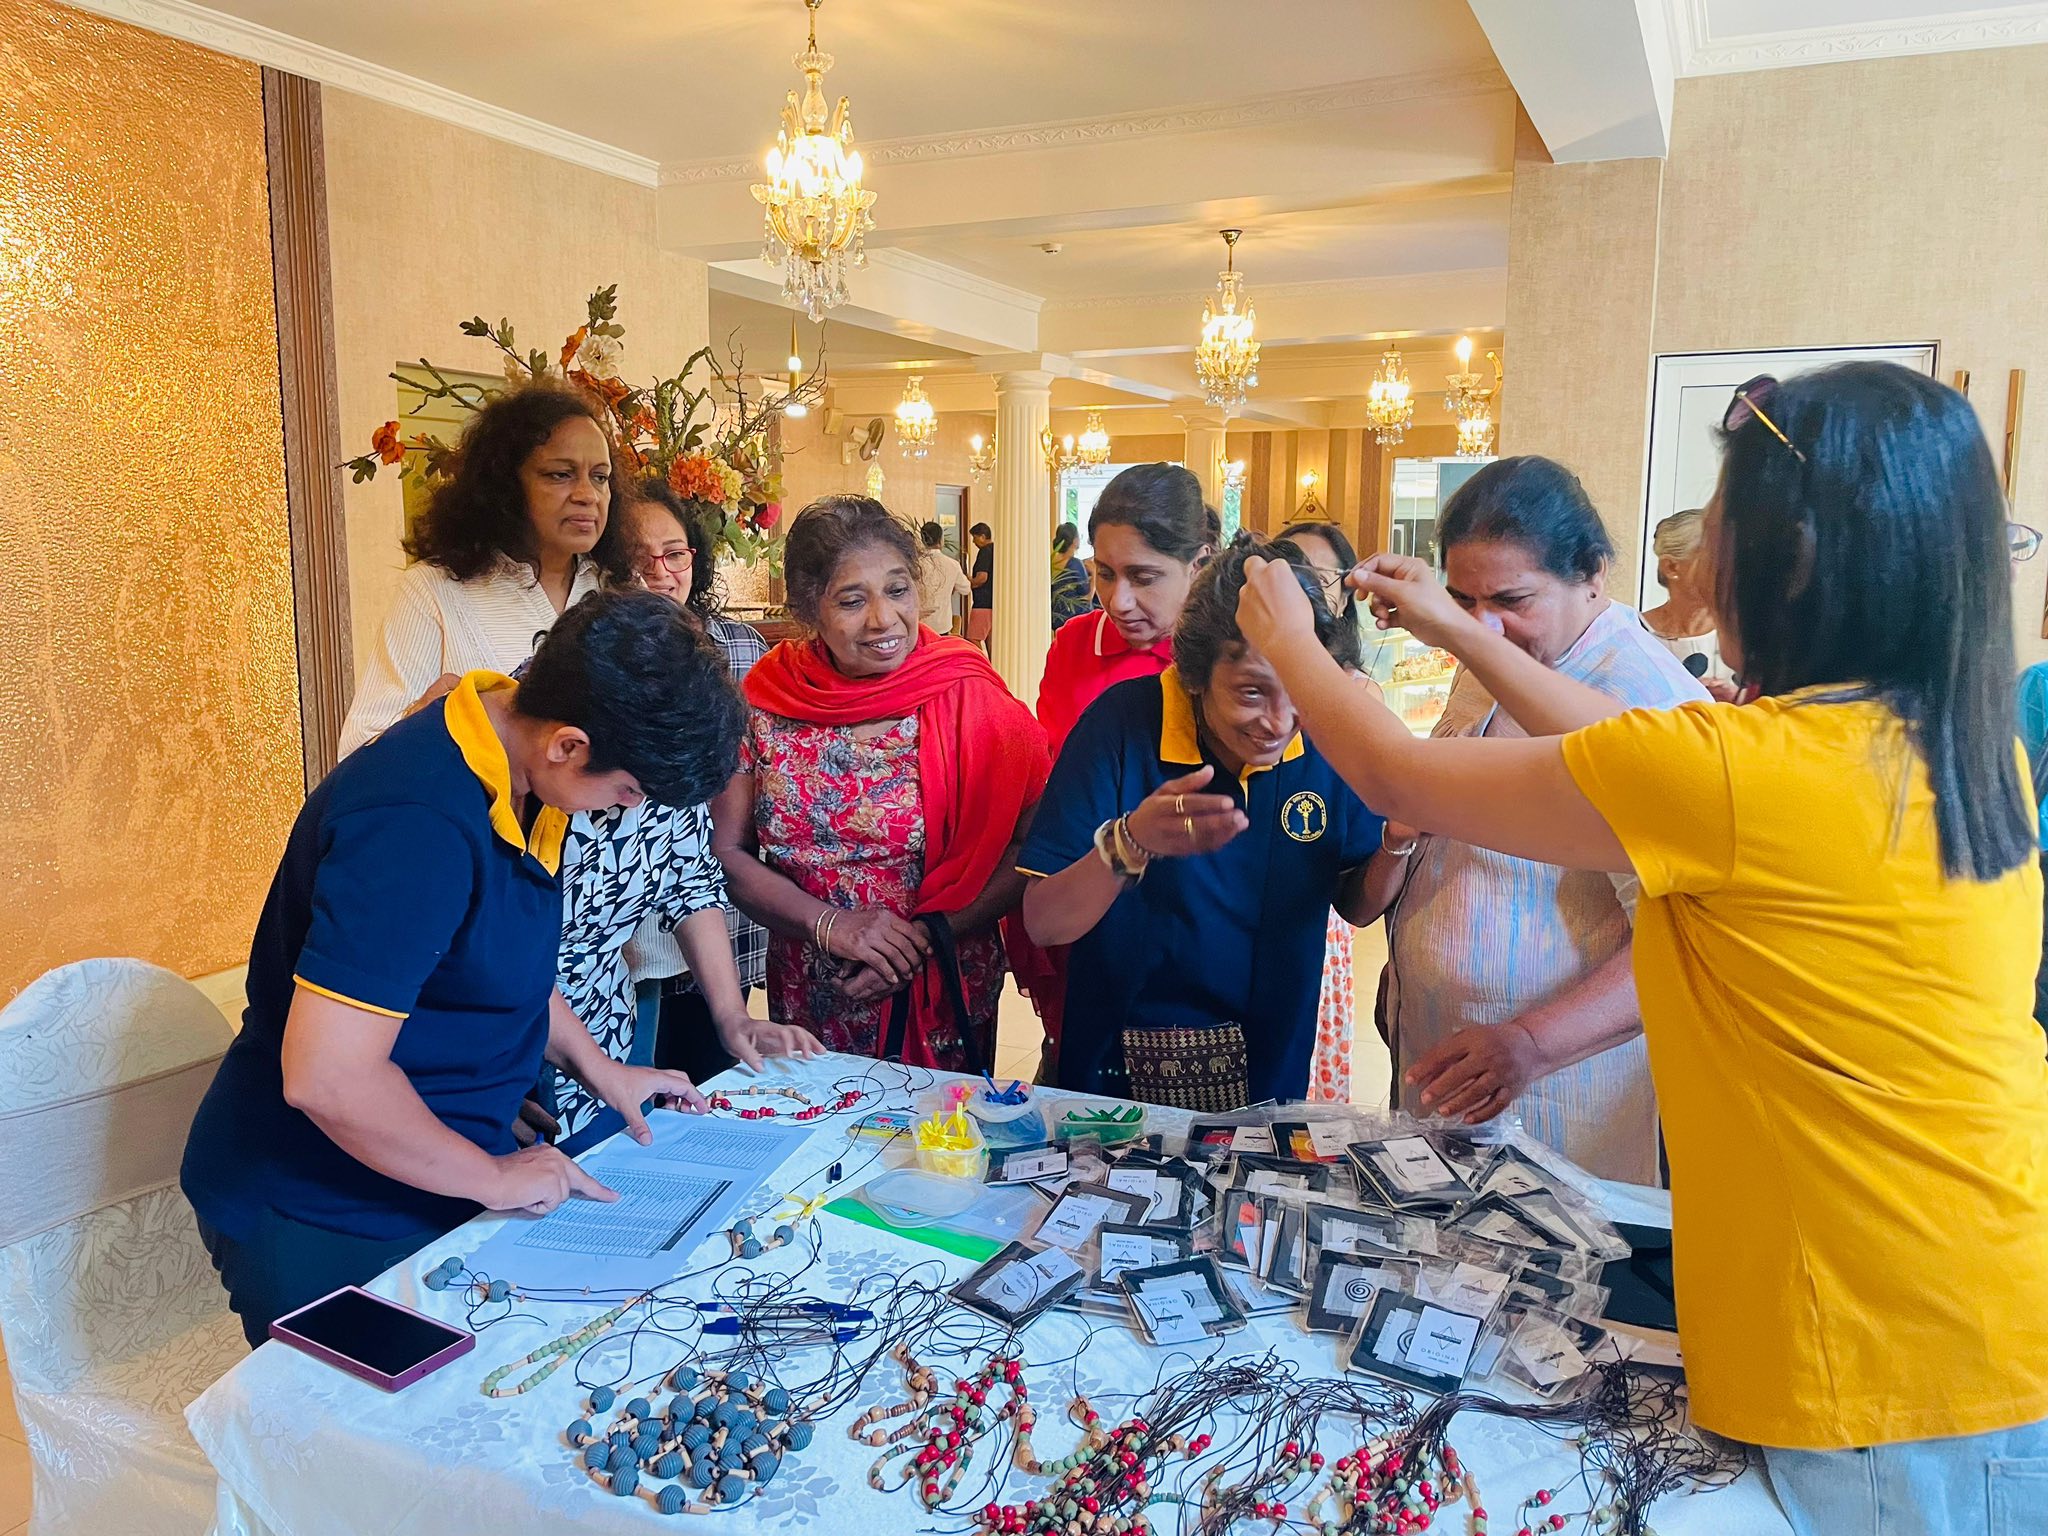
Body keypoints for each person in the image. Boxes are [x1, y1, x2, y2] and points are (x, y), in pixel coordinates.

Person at [1238, 363, 2048, 1534]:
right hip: (1970, 1285)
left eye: (1718, 531)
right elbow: (1629, 741)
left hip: (1875, 1350)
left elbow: (1395, 776)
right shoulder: (1938, 740)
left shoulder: (1745, 778)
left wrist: (1290, 637)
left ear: (1792, 563)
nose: (1699, 565)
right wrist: (1457, 629)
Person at [181, 590, 734, 1344]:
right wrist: (494, 1175)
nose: (625, 810)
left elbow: (494, 962)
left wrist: (599, 1069)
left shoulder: (519, 766)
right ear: (569, 745)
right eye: (628, 790)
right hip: (323, 1202)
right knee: (392, 1408)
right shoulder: (417, 822)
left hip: (432, 1164)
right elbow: (329, 1078)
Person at [1356, 458, 1705, 1182]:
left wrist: (1531, 1042)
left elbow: (1683, 942)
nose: (1483, 627)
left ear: (1593, 575)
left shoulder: (1645, 698)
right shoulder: (1486, 656)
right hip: (1443, 1060)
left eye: (1513, 600)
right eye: (1462, 600)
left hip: (1556, 1089)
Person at [1019, 538, 1391, 1108]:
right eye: (1251, 693)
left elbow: (1357, 905)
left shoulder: (1325, 737)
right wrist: (1130, 842)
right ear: (1194, 674)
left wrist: (1399, 842)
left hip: (1272, 1061)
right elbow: (1044, 923)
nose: (1278, 722)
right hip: (1122, 1068)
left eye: (1300, 692)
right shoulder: (1122, 726)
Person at [710, 496, 1049, 1070]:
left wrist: (922, 938)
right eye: (851, 600)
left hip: (945, 983)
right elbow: (728, 853)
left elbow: (1035, 845)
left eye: (897, 590)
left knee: (941, 1129)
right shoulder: (767, 699)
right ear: (809, 608)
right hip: (812, 991)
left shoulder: (969, 693)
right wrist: (832, 926)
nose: (883, 619)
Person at [540, 487, 819, 1154]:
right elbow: (497, 957)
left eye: (674, 556)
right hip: (504, 1051)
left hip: (603, 1049)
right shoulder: (545, 739)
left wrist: (732, 1017)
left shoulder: (674, 709)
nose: (641, 806)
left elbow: (689, 875)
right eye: (632, 791)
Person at [339, 386, 630, 754]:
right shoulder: (435, 589)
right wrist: (430, 721)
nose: (587, 494)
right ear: (506, 486)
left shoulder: (621, 590)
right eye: (560, 475)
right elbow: (357, 753)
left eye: (600, 477)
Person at [1279, 518, 1375, 1103]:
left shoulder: (1356, 691)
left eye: (1320, 577)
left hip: (1319, 876)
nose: (1305, 588)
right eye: (1292, 571)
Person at [1036, 464, 1215, 760]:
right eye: (1105, 574)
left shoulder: (1221, 654)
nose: (1119, 603)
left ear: (1198, 565)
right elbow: (1055, 762)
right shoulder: (1074, 644)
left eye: (1143, 578)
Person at [1640, 508, 1740, 701]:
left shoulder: (1746, 635)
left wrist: (1736, 701)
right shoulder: (1633, 634)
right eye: (1717, 559)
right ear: (1671, 567)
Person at [915, 520, 972, 635]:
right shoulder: (953, 564)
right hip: (943, 625)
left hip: (920, 623)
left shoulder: (915, 564)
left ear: (922, 540)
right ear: (941, 540)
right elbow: (966, 589)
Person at [1050, 521, 1096, 629]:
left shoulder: (1052, 563)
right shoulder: (1075, 564)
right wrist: (1094, 573)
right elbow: (1087, 598)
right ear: (1075, 541)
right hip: (1075, 619)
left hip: (1056, 619)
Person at [965, 521, 995, 654]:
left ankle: (980, 662)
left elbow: (982, 577)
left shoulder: (984, 551)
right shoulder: (995, 550)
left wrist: (969, 581)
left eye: (975, 537)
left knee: (973, 638)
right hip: (993, 602)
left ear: (982, 536)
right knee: (991, 640)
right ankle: (993, 664)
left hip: (982, 603)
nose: (973, 541)